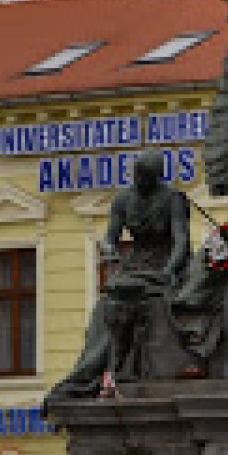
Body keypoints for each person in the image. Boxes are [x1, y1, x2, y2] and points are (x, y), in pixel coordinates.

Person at [45, 151, 190, 402]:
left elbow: (181, 242)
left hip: (166, 263)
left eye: (144, 176)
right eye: (137, 175)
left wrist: (169, 270)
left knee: (134, 295)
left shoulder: (172, 199)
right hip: (135, 265)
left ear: (156, 177)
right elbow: (110, 238)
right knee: (107, 304)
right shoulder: (123, 199)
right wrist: (110, 250)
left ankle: (121, 365)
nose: (139, 180)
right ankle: (97, 367)